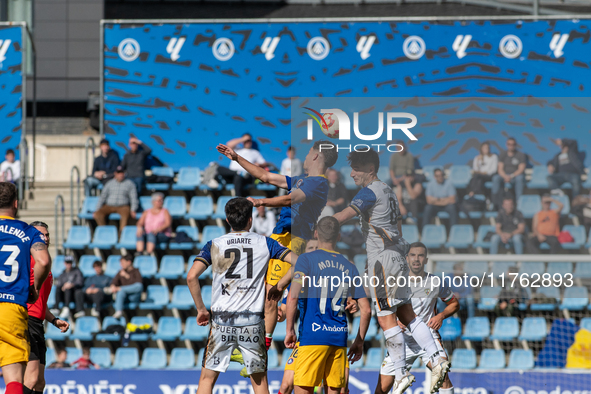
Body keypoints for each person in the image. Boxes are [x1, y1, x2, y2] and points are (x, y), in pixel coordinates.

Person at [333, 150, 450, 394]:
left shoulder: (369, 191)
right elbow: (395, 226)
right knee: (409, 315)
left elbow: (344, 215)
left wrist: (324, 225)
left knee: (386, 318)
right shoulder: (389, 191)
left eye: (356, 168)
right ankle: (437, 358)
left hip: (383, 261)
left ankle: (400, 374)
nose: (352, 173)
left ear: (369, 168)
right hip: (397, 256)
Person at [216, 140, 337, 370]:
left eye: (310, 150)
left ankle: (259, 351)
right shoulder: (302, 179)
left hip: (294, 238)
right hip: (279, 237)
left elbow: (291, 199)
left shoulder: (319, 184)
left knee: (272, 295)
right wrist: (236, 158)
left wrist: (261, 201)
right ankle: (257, 347)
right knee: (266, 295)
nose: (306, 153)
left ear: (317, 156)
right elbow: (266, 177)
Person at [186, 197, 294, 394]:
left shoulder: (214, 244)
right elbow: (300, 262)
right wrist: (280, 285)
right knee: (260, 382)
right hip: (252, 322)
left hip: (221, 321)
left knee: (207, 380)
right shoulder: (266, 243)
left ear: (227, 220)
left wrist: (202, 310)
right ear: (250, 220)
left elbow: (191, 276)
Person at [281, 217, 370, 394]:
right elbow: (366, 309)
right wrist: (359, 341)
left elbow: (293, 297)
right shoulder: (349, 266)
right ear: (338, 237)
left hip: (312, 337)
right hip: (338, 339)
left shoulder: (305, 261)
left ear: (316, 234)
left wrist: (289, 329)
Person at [377, 242, 459, 394]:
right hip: (403, 341)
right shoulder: (396, 282)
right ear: (406, 258)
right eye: (413, 255)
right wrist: (395, 322)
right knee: (381, 389)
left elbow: (454, 304)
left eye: (420, 255)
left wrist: (441, 316)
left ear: (426, 260)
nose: (416, 259)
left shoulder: (436, 282)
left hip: (428, 338)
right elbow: (385, 310)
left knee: (443, 377)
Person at [0, 182, 51, 394]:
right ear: (16, 203)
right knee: (14, 379)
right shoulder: (27, 231)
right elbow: (43, 261)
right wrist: (35, 288)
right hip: (11, 306)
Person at [24, 222, 69, 394]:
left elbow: (41, 301)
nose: (46, 238)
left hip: (38, 322)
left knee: (40, 382)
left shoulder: (45, 266)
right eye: (41, 234)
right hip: (26, 320)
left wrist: (54, 320)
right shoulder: (27, 260)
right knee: (31, 378)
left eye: (47, 234)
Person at [93, 166, 139, 234]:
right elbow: (103, 197)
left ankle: (122, 235)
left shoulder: (129, 184)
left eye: (122, 173)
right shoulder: (109, 183)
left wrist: (133, 209)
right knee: (97, 214)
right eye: (119, 173)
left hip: (123, 206)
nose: (120, 175)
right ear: (115, 173)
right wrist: (97, 209)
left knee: (126, 216)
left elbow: (133, 198)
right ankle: (105, 232)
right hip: (109, 206)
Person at [491, 137, 526, 208]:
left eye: (513, 144)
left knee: (520, 178)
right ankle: (494, 201)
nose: (511, 146)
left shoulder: (520, 155)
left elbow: (521, 169)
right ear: (506, 145)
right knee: (496, 178)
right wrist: (505, 176)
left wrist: (511, 176)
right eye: (509, 144)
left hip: (515, 176)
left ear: (515, 145)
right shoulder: (503, 154)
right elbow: (500, 169)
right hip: (504, 176)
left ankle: (519, 202)